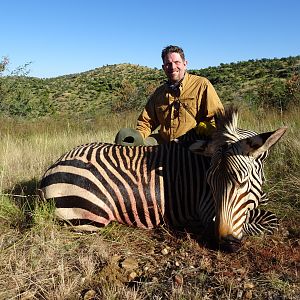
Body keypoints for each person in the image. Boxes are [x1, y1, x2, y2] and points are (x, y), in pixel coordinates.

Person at [115, 45, 224, 146]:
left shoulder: (201, 84)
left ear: (185, 64)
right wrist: (137, 136)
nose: (173, 67)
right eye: (168, 64)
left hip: (192, 143)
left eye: (177, 62)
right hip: (164, 143)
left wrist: (207, 130)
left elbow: (218, 118)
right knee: (126, 138)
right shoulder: (159, 93)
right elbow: (146, 122)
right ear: (163, 67)